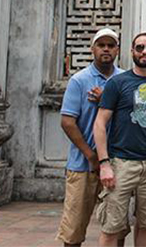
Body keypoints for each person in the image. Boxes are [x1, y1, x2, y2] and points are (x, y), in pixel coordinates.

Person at [93, 32, 146, 247]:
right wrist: (104, 164)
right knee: (111, 225)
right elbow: (100, 123)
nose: (144, 52)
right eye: (139, 47)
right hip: (121, 162)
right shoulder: (118, 83)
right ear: (132, 51)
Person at [56, 28, 124, 247]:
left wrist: (108, 100)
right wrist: (91, 155)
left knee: (116, 228)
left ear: (117, 50)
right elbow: (67, 121)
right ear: (92, 48)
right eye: (101, 45)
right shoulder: (79, 80)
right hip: (82, 164)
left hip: (116, 163)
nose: (106, 49)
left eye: (110, 45)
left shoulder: (124, 80)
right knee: (74, 229)